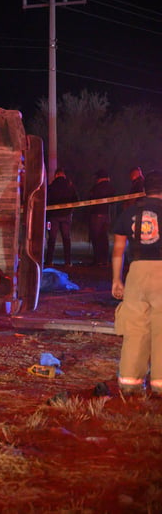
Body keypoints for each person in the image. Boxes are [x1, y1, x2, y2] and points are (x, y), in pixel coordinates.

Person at [111, 170, 162, 397]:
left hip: (137, 272)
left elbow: (118, 250)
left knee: (135, 329)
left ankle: (130, 383)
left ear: (144, 189)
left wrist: (116, 279)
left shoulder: (129, 213)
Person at [45, 167, 79, 267]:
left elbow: (47, 200)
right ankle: (68, 262)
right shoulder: (70, 186)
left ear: (56, 175)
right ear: (63, 175)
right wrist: (70, 211)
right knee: (66, 238)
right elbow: (76, 200)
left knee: (51, 239)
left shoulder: (51, 186)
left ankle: (49, 261)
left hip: (53, 217)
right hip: (66, 216)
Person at [88, 169, 115, 266]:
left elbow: (90, 200)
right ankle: (105, 259)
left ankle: (97, 259)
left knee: (96, 237)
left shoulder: (96, 188)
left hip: (96, 215)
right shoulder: (111, 187)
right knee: (104, 238)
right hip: (107, 215)